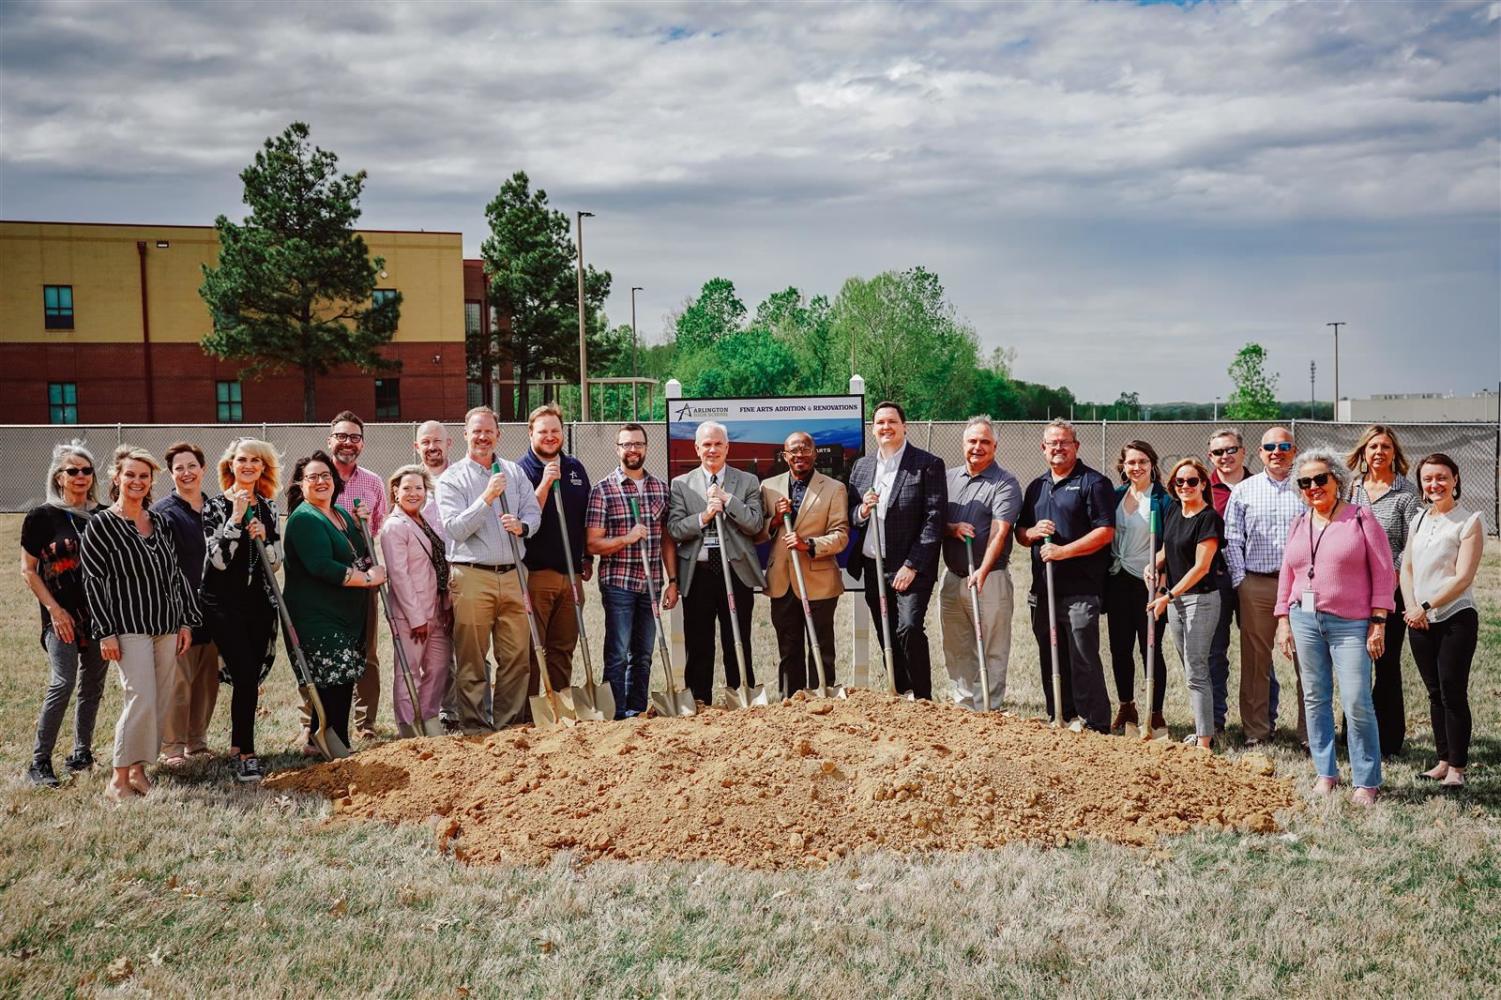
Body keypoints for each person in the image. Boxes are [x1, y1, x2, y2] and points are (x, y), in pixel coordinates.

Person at [80, 446, 201, 801]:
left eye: (143, 476)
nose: (136, 481)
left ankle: (139, 770)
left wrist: (185, 622)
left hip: (166, 623)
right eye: (130, 474)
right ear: (116, 478)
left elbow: (174, 574)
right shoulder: (102, 525)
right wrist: (104, 631)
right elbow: (93, 581)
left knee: (160, 699)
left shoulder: (159, 520)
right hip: (127, 626)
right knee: (140, 698)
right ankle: (118, 779)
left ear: (151, 482)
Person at [1274, 449, 1394, 805]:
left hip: (1352, 624)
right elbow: (1288, 573)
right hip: (1305, 619)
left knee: (1357, 700)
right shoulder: (1300, 522)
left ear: (1337, 481)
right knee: (1315, 698)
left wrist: (1378, 621)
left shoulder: (1361, 519)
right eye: (1305, 482)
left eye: (1320, 479)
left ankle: (1366, 780)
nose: (1313, 487)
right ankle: (1326, 772)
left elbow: (1384, 573)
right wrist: (1283, 619)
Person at [437, 406, 542, 731]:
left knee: (516, 658)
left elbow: (533, 511)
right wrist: (487, 497)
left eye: (489, 431)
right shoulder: (451, 478)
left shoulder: (515, 472)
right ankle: (475, 727)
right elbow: (454, 528)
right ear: (466, 435)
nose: (483, 437)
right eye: (476, 431)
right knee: (471, 657)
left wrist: (523, 526)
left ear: (498, 435)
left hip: (513, 574)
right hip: (471, 576)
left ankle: (509, 726)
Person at [1016, 418, 1115, 731]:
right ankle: (1060, 712)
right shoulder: (1036, 486)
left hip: (1081, 590)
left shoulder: (1094, 483)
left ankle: (1095, 721)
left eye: (1064, 442)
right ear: (1043, 449)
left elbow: (1105, 532)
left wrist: (1063, 551)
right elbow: (1020, 532)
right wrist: (1032, 532)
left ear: (1076, 446)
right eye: (1052, 443)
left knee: (1083, 657)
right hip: (1043, 590)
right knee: (1050, 655)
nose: (1058, 448)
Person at [282, 451, 383, 753]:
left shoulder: (339, 514)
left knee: (342, 678)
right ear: (301, 484)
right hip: (316, 615)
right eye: (312, 477)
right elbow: (322, 567)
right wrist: (367, 579)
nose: (320, 481)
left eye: (326, 476)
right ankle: (336, 742)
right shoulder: (304, 518)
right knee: (333, 679)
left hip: (345, 614)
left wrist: (363, 525)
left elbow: (359, 553)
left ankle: (320, 740)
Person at [847, 401, 946, 699]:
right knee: (886, 633)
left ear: (905, 426)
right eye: (880, 423)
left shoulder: (927, 464)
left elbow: (934, 518)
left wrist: (912, 565)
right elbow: (849, 512)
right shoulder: (862, 466)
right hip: (873, 565)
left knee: (909, 628)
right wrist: (862, 511)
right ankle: (901, 691)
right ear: (873, 429)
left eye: (892, 421)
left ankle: (922, 697)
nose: (886, 427)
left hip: (910, 567)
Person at [23, 443, 108, 788]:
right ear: (58, 476)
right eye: (72, 471)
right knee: (63, 681)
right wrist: (54, 610)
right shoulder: (42, 517)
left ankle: (81, 753)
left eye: (86, 471)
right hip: (61, 615)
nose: (80, 477)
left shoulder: (103, 514)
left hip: (99, 615)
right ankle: (39, 762)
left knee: (93, 684)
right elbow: (28, 570)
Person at [200, 438, 283, 781]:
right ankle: (247, 753)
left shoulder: (269, 507)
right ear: (230, 465)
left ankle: (237, 745)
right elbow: (217, 560)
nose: (248, 465)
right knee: (245, 675)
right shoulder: (215, 506)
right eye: (242, 460)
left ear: (263, 468)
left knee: (250, 677)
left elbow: (276, 562)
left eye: (255, 461)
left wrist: (265, 537)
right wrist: (235, 520)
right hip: (223, 603)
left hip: (258, 602)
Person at [668, 420, 766, 703]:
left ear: (727, 447)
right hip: (698, 573)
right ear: (697, 448)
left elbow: (755, 524)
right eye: (706, 445)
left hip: (734, 571)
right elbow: (675, 528)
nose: (712, 450)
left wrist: (728, 499)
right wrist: (704, 517)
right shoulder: (681, 485)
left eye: (718, 444)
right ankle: (700, 700)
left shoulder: (747, 481)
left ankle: (740, 694)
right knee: (698, 641)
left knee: (737, 638)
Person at [1402, 453, 1483, 789]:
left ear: (1455, 478)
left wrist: (1426, 605)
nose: (1434, 484)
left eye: (1441, 477)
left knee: (1452, 691)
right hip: (1419, 619)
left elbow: (1463, 577)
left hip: (1454, 618)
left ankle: (1458, 769)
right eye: (1428, 478)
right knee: (1434, 693)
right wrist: (1411, 606)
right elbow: (1406, 567)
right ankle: (1442, 760)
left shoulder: (1470, 520)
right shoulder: (1419, 519)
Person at [587, 423, 679, 717]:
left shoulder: (660, 489)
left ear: (646, 448)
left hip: (650, 583)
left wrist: (672, 580)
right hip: (619, 584)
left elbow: (667, 539)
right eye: (626, 444)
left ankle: (636, 709)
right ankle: (614, 712)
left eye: (638, 444)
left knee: (643, 654)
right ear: (618, 449)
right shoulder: (603, 490)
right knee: (618, 653)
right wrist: (627, 538)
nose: (633, 450)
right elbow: (593, 544)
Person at [1223, 427, 1304, 748]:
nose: (1277, 452)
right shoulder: (1244, 491)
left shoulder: (1307, 487)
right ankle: (1256, 731)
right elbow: (1232, 539)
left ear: (1294, 451)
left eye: (1284, 446)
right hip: (1257, 583)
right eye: (1270, 446)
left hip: (1302, 588)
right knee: (1256, 662)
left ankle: (1311, 734)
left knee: (1308, 660)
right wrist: (1241, 582)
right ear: (1259, 452)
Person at [1343, 425, 1421, 757]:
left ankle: (1389, 739)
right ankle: (1352, 735)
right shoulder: (1352, 488)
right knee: (1354, 664)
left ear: (1394, 453)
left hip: (1391, 589)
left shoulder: (1406, 493)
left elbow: (1412, 545)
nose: (1379, 452)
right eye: (1373, 446)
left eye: (1386, 447)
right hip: (1352, 590)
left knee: (1386, 663)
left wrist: (1387, 573)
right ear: (1363, 452)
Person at [938, 416, 1021, 711]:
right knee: (957, 646)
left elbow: (1000, 531)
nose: (978, 447)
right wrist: (951, 528)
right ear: (963, 444)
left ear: (995, 446)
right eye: (972, 441)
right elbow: (935, 522)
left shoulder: (1005, 483)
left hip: (990, 578)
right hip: (952, 577)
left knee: (992, 647)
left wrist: (983, 571)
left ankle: (990, 706)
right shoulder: (948, 478)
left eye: (985, 442)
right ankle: (964, 707)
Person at [759, 430, 849, 695]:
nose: (800, 455)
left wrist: (808, 544)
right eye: (794, 451)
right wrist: (774, 521)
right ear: (785, 456)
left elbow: (841, 535)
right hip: (782, 582)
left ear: (814, 453)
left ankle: (822, 697)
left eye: (805, 449)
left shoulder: (834, 488)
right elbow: (757, 532)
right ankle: (791, 703)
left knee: (820, 647)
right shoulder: (768, 487)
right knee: (788, 648)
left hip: (818, 581)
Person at [516, 403, 592, 702]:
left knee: (563, 647)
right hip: (537, 573)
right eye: (543, 431)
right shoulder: (521, 470)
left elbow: (585, 515)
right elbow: (526, 514)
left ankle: (559, 703)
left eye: (555, 431)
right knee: (534, 646)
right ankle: (530, 709)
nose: (550, 436)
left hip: (572, 574)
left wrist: (587, 556)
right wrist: (546, 482)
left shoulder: (574, 468)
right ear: (530, 433)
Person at [1148, 458, 1224, 750]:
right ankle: (1201, 730)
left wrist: (1167, 596)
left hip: (1200, 601)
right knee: (1190, 668)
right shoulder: (1174, 512)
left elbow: (1201, 567)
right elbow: (1169, 549)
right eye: (1180, 482)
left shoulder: (1208, 518)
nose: (1185, 487)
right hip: (1178, 601)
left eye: (1192, 481)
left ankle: (1204, 741)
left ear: (1203, 484)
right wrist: (1153, 564)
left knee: (1196, 669)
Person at [150, 442, 218, 767]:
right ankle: (173, 747)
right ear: (171, 473)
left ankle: (197, 742)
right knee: (178, 682)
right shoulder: (164, 513)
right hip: (180, 614)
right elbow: (162, 568)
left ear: (203, 469)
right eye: (180, 468)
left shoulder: (217, 508)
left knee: (207, 681)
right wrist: (177, 616)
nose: (187, 472)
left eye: (192, 466)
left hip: (215, 610)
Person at [1104, 440, 1173, 734]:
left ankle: (1155, 713)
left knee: (1150, 649)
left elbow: (1173, 542)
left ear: (1152, 464)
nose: (1136, 467)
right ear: (1123, 466)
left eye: (1142, 462)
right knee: (1120, 648)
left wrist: (1161, 577)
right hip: (1117, 579)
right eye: (1131, 462)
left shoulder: (1163, 499)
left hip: (1148, 583)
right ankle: (1126, 706)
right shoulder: (1117, 495)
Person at [327, 410, 387, 740]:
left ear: (362, 444)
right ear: (330, 440)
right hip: (326, 579)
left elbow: (378, 526)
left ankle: (365, 724)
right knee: (323, 648)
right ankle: (315, 721)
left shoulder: (373, 482)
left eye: (354, 437)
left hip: (363, 578)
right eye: (341, 436)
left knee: (366, 652)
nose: (347, 443)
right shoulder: (315, 476)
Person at [379, 465, 452, 736]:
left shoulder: (425, 521)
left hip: (437, 609)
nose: (413, 493)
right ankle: (408, 727)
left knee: (439, 666)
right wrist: (417, 617)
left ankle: (428, 717)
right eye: (406, 488)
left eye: (419, 488)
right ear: (395, 491)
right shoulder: (395, 526)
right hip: (413, 614)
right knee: (408, 671)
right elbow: (399, 576)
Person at [414, 419, 464, 730]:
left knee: (467, 644)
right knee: (434, 650)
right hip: (424, 581)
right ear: (416, 447)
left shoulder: (462, 478)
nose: (432, 447)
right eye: (426, 442)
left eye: (438, 441)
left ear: (449, 444)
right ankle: (442, 711)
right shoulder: (411, 483)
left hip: (460, 573)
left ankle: (468, 708)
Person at [1204, 427, 1248, 733]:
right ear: (1211, 456)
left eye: (1231, 449)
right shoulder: (1201, 487)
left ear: (1243, 452)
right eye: (1218, 452)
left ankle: (1258, 723)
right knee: (1214, 652)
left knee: (1256, 654)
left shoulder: (1260, 485)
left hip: (1253, 580)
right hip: (1216, 579)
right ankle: (1215, 720)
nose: (1225, 456)